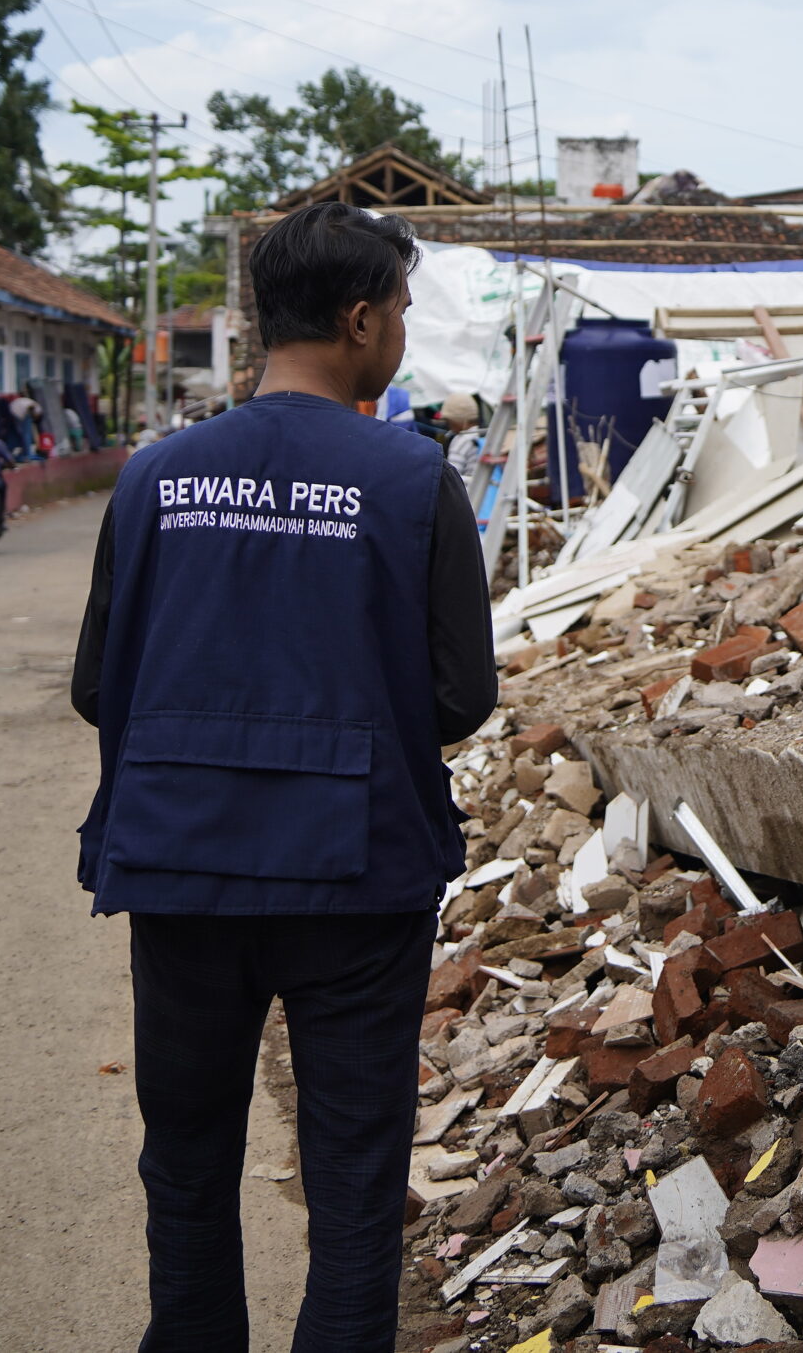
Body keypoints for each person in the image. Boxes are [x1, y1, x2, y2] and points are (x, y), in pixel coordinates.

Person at [69, 202, 496, 1351]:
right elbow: (462, 697)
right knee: (354, 1179)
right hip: (355, 878)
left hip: (180, 863)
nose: (403, 332)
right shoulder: (412, 483)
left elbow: (97, 685)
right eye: (402, 310)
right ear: (360, 321)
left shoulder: (155, 478)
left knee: (190, 1160)